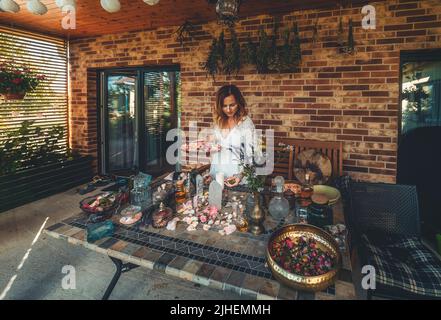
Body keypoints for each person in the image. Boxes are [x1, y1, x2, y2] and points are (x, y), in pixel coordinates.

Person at [208, 84, 259, 188]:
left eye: (232, 105)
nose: (228, 110)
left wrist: (240, 176)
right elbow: (215, 150)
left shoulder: (246, 123)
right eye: (224, 106)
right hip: (218, 175)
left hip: (237, 178)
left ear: (239, 103)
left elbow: (253, 154)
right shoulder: (219, 122)